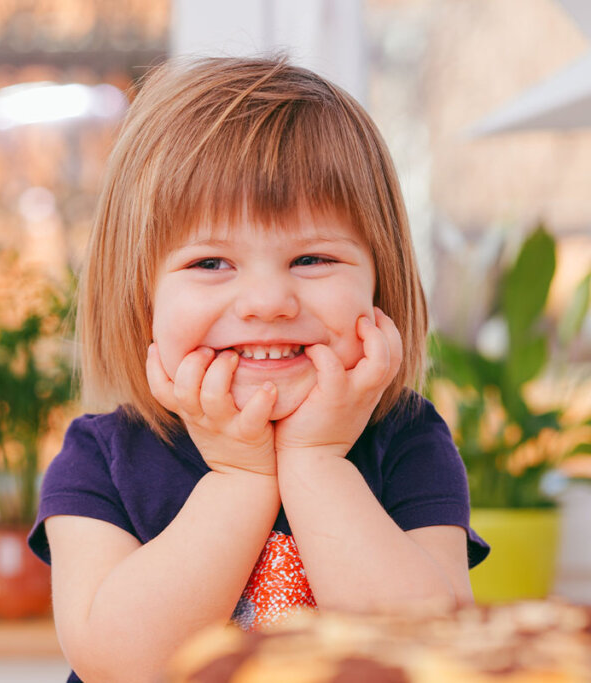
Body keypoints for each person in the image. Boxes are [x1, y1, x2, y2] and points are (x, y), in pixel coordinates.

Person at [27, 56, 489, 683]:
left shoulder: (408, 440)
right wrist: (240, 478)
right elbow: (122, 664)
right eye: (211, 263)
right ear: (142, 298)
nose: (268, 302)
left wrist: (317, 462)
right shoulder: (101, 458)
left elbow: (427, 651)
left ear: (381, 284)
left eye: (313, 257)